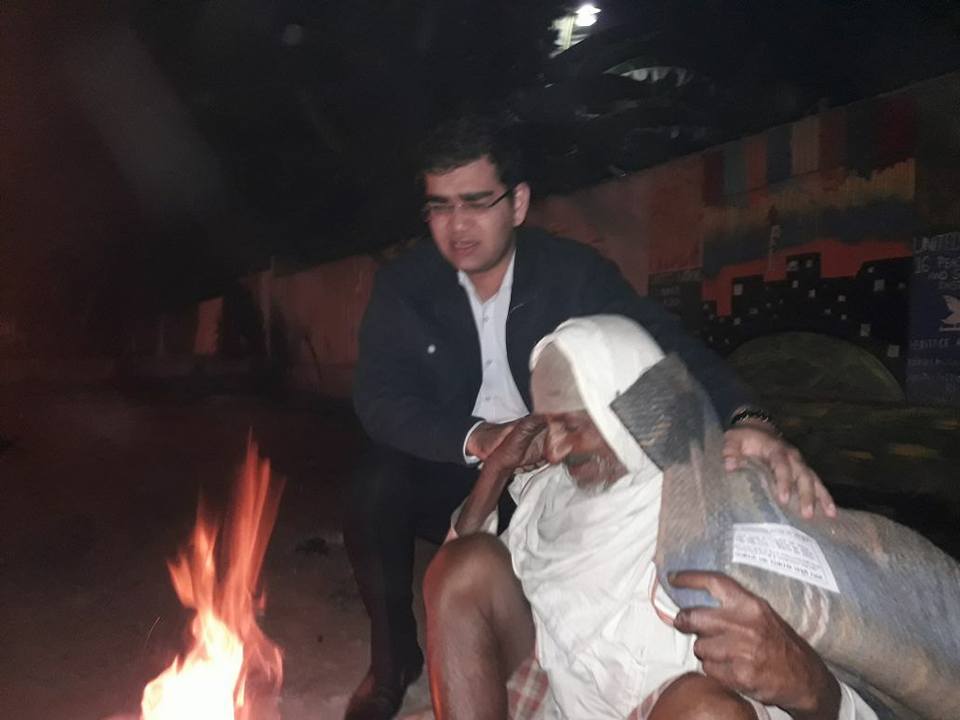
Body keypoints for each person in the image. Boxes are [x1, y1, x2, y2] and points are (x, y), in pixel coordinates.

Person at [344, 114, 834, 720]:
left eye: (475, 202)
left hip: (556, 467)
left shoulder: (571, 273)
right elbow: (379, 397)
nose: (457, 225)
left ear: (518, 203)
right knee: (375, 486)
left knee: (613, 540)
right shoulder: (406, 286)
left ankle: (579, 658)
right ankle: (391, 662)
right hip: (460, 461)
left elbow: (663, 346)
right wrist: (478, 438)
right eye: (440, 207)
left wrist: (749, 416)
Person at [423, 315, 876, 720]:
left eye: (572, 426)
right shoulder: (553, 493)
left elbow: (830, 670)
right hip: (566, 708)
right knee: (461, 566)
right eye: (548, 423)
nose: (555, 449)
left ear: (626, 411)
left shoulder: (714, 499)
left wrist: (814, 690)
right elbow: (454, 598)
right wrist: (498, 471)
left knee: (707, 713)